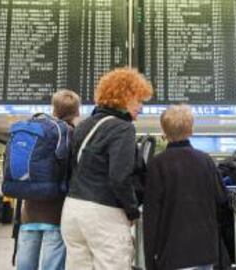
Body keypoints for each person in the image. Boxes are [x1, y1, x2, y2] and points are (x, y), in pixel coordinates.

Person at [61, 67, 153, 270]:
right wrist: (132, 211)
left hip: (72, 211)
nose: (141, 107)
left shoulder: (84, 125)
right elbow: (119, 176)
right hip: (103, 214)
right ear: (125, 97)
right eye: (139, 100)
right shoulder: (122, 127)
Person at [143, 104, 227, 270]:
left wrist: (150, 260)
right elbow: (221, 197)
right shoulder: (206, 160)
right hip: (205, 251)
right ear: (191, 130)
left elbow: (152, 215)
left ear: (164, 133)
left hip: (172, 253)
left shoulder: (157, 164)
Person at [16, 89, 81, 270]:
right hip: (57, 211)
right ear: (76, 112)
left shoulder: (35, 129)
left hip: (29, 209)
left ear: (53, 108)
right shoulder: (70, 133)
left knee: (25, 262)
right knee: (52, 264)